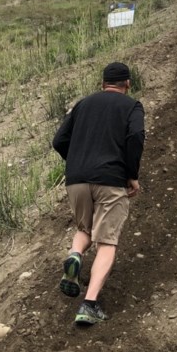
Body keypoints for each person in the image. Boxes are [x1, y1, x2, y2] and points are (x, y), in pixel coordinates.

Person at [52, 62, 145, 326]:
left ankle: (75, 254)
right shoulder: (131, 106)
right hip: (110, 180)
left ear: (102, 83)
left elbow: (59, 140)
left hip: (76, 179)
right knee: (107, 241)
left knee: (85, 227)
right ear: (127, 83)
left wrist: (76, 162)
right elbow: (136, 136)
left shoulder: (83, 104)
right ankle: (89, 304)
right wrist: (132, 174)